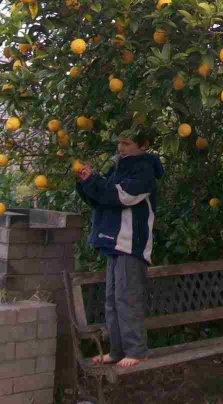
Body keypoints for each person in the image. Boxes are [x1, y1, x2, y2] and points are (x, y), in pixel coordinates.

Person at [75, 125, 164, 368]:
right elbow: (100, 200)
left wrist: (96, 182)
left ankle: (136, 350)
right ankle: (116, 350)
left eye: (127, 143)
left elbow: (121, 197)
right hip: (113, 242)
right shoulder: (117, 167)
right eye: (120, 142)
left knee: (128, 298)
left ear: (143, 145)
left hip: (130, 243)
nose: (121, 147)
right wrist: (86, 182)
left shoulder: (143, 170)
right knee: (113, 299)